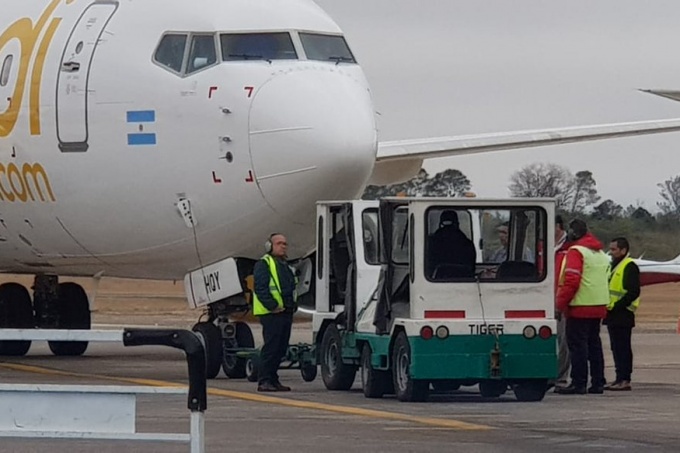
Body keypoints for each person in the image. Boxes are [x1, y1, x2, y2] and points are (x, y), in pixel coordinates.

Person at [555, 219, 610, 395]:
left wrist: (559, 304)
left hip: (580, 306)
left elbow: (571, 281)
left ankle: (579, 382)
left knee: (577, 346)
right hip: (598, 305)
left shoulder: (576, 251)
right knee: (594, 344)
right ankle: (598, 382)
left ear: (573, 233)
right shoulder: (600, 253)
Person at [252, 233, 298, 392]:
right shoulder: (264, 264)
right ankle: (264, 380)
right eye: (279, 243)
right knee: (271, 347)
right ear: (270, 246)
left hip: (285, 312)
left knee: (281, 348)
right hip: (271, 313)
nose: (283, 246)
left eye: (285, 243)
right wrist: (272, 306)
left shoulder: (286, 265)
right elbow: (260, 288)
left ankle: (273, 378)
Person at [604, 237, 640, 391]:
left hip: (623, 313)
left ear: (623, 250)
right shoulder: (613, 265)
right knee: (616, 347)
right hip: (612, 313)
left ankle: (625, 379)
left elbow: (633, 292)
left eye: (614, 249)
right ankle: (619, 377)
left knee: (623, 347)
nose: (611, 252)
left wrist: (617, 306)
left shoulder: (629, 266)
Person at [427, 210, 476, 279]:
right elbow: (472, 268)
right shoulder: (467, 244)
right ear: (457, 224)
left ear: (440, 224)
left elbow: (427, 267)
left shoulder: (430, 243)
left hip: (434, 283)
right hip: (464, 282)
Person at [553, 215, 571, 390]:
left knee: (563, 340)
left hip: (562, 302)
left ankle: (561, 378)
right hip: (547, 298)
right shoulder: (545, 247)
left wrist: (560, 303)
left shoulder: (569, 248)